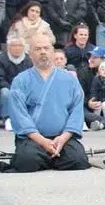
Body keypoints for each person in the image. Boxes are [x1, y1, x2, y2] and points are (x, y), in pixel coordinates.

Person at [6, 33, 89, 173]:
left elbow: (76, 111)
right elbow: (19, 116)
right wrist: (43, 142)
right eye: (38, 49)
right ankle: (50, 157)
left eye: (46, 48)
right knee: (27, 161)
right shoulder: (20, 80)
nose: (43, 52)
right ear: (30, 53)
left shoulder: (69, 79)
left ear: (52, 51)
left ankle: (48, 157)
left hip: (62, 138)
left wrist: (63, 138)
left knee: (78, 159)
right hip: (33, 139)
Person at [0, 36, 32, 126]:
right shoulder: (1, 59)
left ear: (23, 47)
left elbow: (31, 78)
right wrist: (13, 89)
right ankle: (7, 118)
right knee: (5, 93)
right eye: (14, 45)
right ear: (8, 47)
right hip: (6, 86)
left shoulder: (29, 60)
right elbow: (0, 78)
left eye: (20, 46)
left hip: (23, 88)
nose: (17, 48)